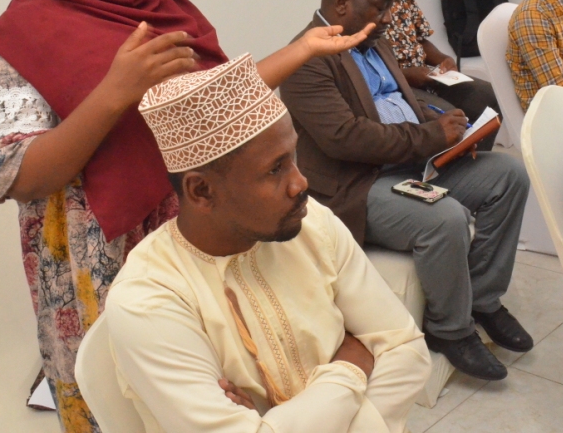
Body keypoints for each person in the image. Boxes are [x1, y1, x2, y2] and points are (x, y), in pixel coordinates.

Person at [0, 0, 371, 432]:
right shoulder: (19, 35)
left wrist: (302, 50)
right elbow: (16, 175)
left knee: (221, 403)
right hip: (100, 259)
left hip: (195, 230)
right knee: (133, 406)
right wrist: (115, 91)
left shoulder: (160, 5)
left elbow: (210, 107)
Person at [106, 53, 431, 433]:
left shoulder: (312, 224)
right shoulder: (150, 299)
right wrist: (351, 366)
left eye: (293, 157)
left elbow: (405, 349)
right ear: (201, 191)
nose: (301, 182)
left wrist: (276, 422)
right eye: (276, 169)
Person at [278, 0, 532, 382]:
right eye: (379, 6)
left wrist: (449, 128)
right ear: (342, 4)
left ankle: (482, 300)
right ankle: (449, 330)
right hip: (359, 185)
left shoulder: (374, 41)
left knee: (509, 176)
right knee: (445, 218)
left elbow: (404, 103)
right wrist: (431, 136)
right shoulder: (305, 60)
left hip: (414, 162)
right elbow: (346, 138)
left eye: (389, 4)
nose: (389, 16)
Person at [335, 0, 499, 136]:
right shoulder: (345, 10)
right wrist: (404, 75)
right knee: (450, 118)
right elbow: (361, 74)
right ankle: (455, 156)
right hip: (397, 85)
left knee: (487, 96)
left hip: (430, 76)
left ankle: (478, 155)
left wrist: (443, 59)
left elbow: (420, 39)